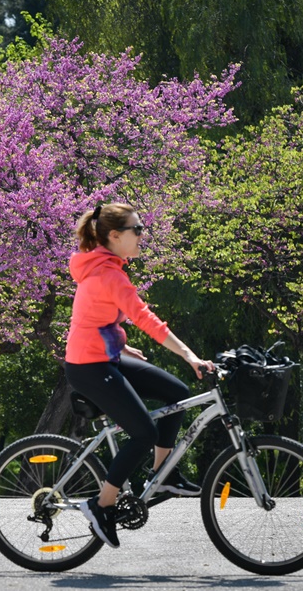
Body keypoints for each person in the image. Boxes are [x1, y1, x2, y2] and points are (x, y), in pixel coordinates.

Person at [65, 203, 215, 548]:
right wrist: (190, 355)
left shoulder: (106, 268)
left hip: (106, 356)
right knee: (144, 431)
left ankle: (163, 475)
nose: (142, 236)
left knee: (177, 394)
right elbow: (146, 319)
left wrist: (121, 345)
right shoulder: (108, 274)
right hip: (89, 367)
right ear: (114, 236)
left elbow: (97, 317)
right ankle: (101, 505)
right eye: (138, 230)